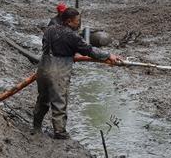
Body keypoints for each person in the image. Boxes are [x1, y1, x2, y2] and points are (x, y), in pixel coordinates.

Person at [33, 8, 122, 139]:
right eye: (77, 21)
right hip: (59, 69)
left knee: (43, 98)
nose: (79, 23)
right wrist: (109, 55)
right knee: (59, 101)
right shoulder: (72, 36)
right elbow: (89, 50)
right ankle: (60, 132)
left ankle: (36, 126)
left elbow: (45, 45)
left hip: (43, 66)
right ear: (69, 21)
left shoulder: (50, 29)